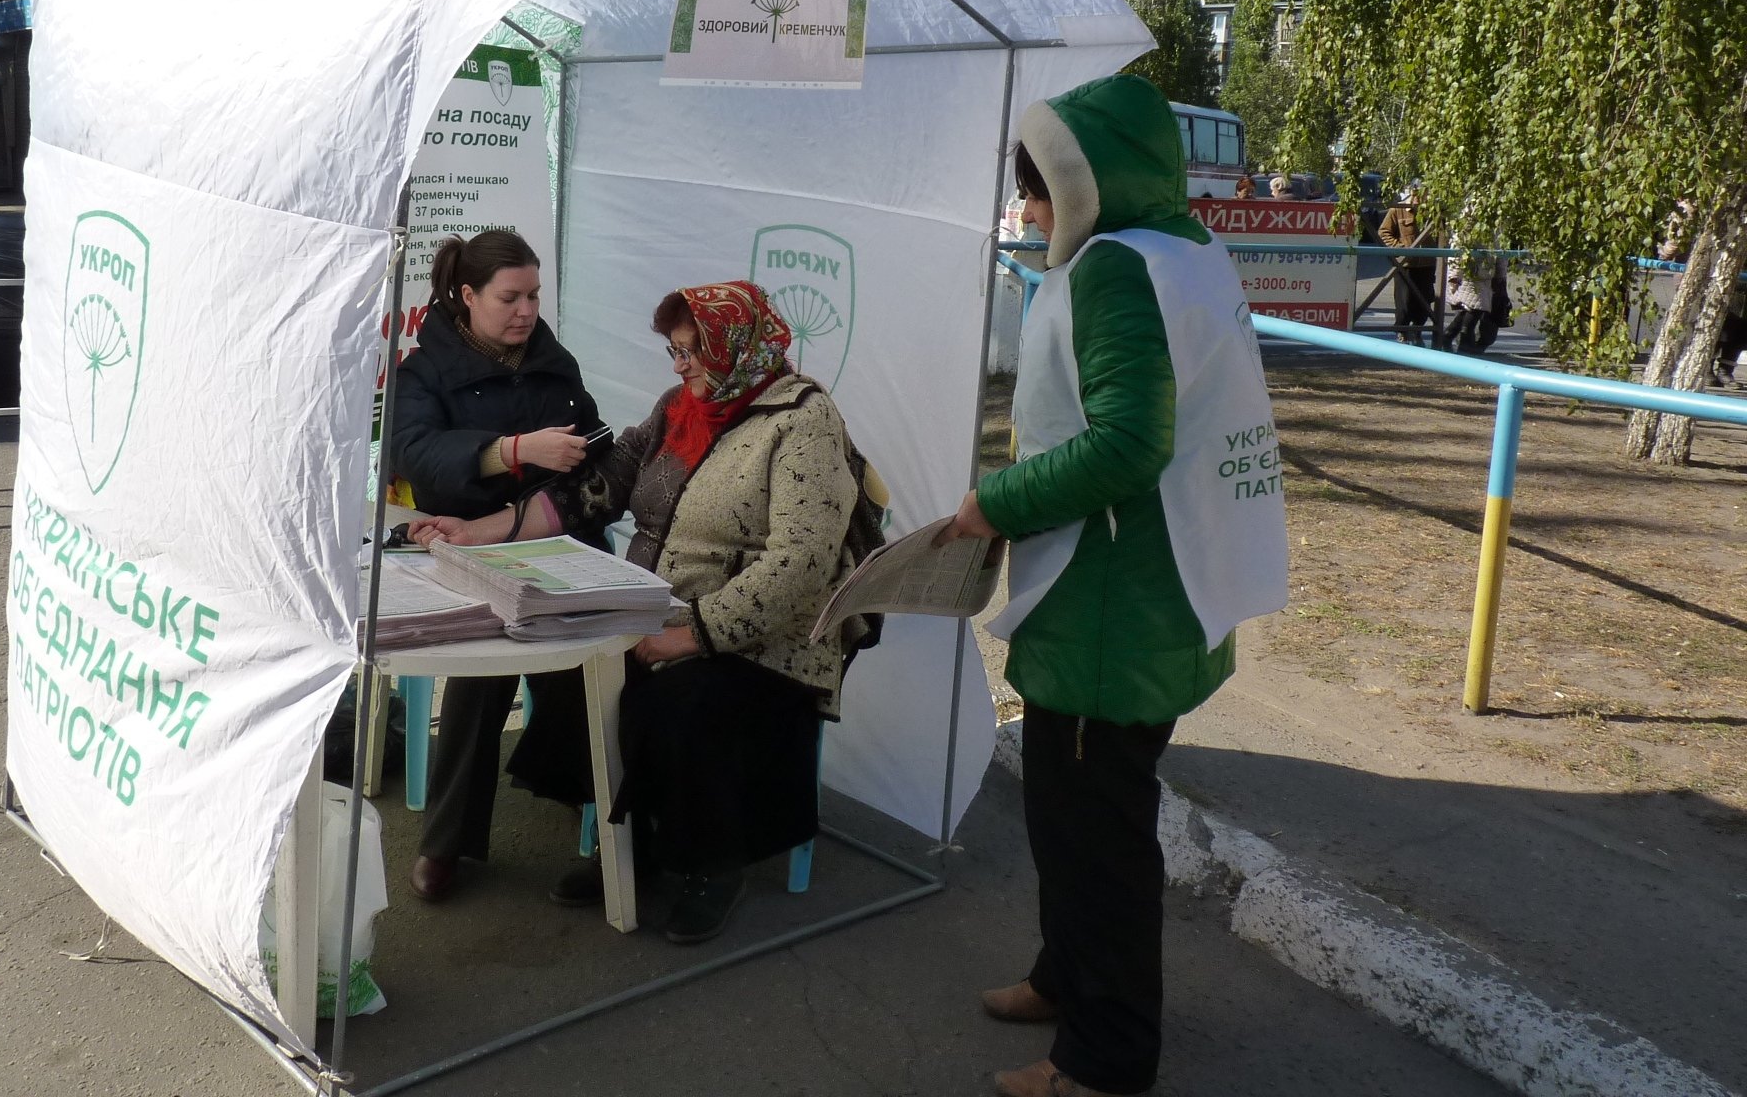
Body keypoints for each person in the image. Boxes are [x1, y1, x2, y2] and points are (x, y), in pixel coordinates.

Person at [940, 74, 1288, 1097]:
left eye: (1040, 190)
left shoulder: (1111, 271)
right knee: (1070, 817)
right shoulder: (1182, 247)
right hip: (1159, 590)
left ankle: (1103, 1059)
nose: (1030, 212)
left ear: (1086, 184)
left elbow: (1128, 442)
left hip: (1109, 609)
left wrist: (991, 504)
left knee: (1096, 839)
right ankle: (1065, 975)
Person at [414, 281, 870, 946]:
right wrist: (485, 529)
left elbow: (798, 569)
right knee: (575, 671)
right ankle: (632, 840)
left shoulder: (803, 421)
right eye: (674, 353)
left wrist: (693, 636)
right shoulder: (680, 408)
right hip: (660, 612)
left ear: (737, 346)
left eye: (693, 352)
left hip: (763, 641)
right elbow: (602, 483)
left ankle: (710, 865)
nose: (682, 368)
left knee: (678, 701)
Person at [390, 229, 604, 903]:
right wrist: (512, 451)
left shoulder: (552, 361)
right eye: (510, 297)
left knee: (587, 652)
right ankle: (448, 840)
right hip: (460, 547)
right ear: (467, 296)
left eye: (534, 295)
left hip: (554, 538)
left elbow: (589, 451)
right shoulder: (426, 370)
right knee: (480, 669)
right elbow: (416, 455)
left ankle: (584, 795)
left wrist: (570, 459)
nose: (526, 311)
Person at [1378, 187, 1437, 345]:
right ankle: (1402, 332)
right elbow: (1384, 232)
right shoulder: (1398, 210)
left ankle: (1417, 331)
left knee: (1425, 300)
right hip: (1406, 265)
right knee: (1405, 302)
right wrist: (1399, 248)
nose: (1421, 198)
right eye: (1418, 194)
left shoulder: (1433, 211)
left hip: (1427, 264)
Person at [1438, 234, 1509, 355]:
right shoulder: (1467, 224)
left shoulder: (1495, 227)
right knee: (1474, 309)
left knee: (1471, 309)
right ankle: (1460, 342)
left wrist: (1501, 274)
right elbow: (1457, 249)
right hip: (1469, 275)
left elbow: (1500, 251)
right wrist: (1455, 276)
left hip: (1485, 276)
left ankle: (1449, 336)